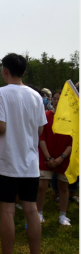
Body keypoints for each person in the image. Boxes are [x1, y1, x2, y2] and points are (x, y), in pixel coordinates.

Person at [0, 53, 47, 254]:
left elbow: (0, 127)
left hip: (7, 163)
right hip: (30, 164)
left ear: (5, 71)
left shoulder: (0, 93)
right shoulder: (36, 95)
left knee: (7, 211)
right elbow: (40, 130)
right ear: (24, 71)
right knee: (31, 210)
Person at [36, 90, 73, 226]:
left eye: (60, 99)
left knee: (63, 187)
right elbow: (42, 138)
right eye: (55, 99)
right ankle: (39, 213)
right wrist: (48, 157)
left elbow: (73, 141)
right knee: (42, 186)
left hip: (64, 157)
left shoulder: (72, 119)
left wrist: (62, 157)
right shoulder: (46, 116)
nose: (56, 101)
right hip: (46, 156)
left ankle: (63, 215)